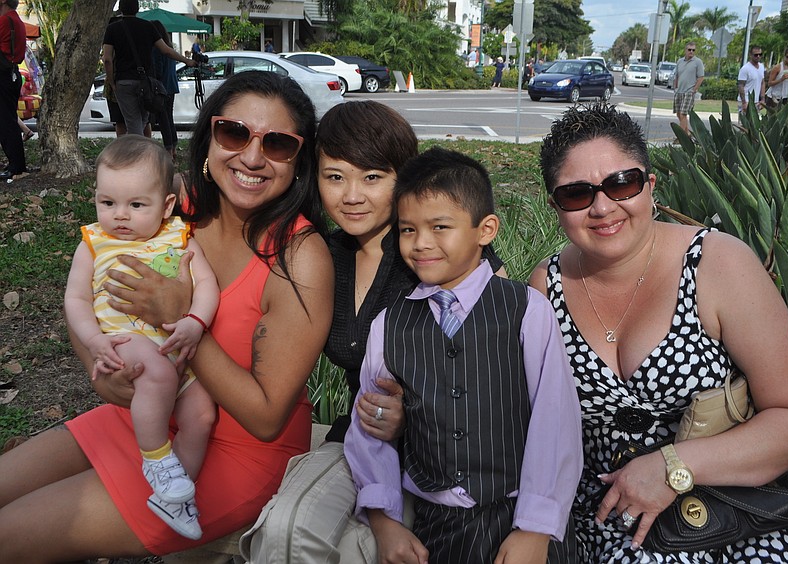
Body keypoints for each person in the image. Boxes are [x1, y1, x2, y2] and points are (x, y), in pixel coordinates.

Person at [0, 70, 333, 560]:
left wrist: (182, 319)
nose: (253, 157)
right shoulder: (173, 212)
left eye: (278, 143)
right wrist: (101, 367)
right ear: (208, 137)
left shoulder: (298, 256)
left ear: (298, 160)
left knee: (9, 535)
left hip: (237, 452)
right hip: (148, 416)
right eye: (234, 133)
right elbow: (95, 295)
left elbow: (265, 419)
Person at [529, 103, 788, 562]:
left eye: (621, 183)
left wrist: (675, 466)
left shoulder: (718, 264)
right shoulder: (546, 286)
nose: (602, 207)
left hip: (730, 521)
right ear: (555, 207)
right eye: (576, 194)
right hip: (607, 527)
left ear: (650, 185)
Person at [239, 101, 507, 564]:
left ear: (403, 178)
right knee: (284, 530)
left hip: (448, 460)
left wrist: (417, 415)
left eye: (372, 177)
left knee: (361, 550)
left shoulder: (439, 255)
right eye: (335, 176)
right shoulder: (324, 255)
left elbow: (497, 385)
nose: (351, 196)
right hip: (359, 443)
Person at [345, 146, 583, 564]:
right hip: (437, 527)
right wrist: (385, 521)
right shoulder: (390, 324)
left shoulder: (526, 309)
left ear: (485, 229)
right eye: (407, 229)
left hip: (521, 519)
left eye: (440, 227)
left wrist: (536, 527)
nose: (421, 244)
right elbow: (370, 431)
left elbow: (555, 420)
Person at [64, 135, 219, 540]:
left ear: (166, 205)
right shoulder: (94, 244)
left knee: (202, 415)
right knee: (158, 374)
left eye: (136, 205)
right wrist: (93, 341)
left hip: (175, 348)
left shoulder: (179, 238)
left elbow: (206, 286)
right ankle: (156, 458)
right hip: (123, 340)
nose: (119, 216)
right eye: (107, 202)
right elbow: (76, 298)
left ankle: (173, 496)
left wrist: (195, 322)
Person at [102, 0, 196, 137]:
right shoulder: (148, 27)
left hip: (124, 81)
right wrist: (187, 61)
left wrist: (111, 82)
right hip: (146, 82)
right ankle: (140, 152)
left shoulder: (112, 29)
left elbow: (107, 59)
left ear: (121, 9)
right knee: (143, 120)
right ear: (137, 9)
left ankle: (136, 155)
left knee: (133, 122)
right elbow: (166, 50)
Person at [0, 0, 27, 181]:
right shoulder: (17, 20)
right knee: (8, 119)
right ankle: (16, 164)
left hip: (2, 75)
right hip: (12, 73)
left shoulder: (4, 20)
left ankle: (15, 165)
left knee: (6, 123)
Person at [151, 19, 179, 160]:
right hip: (172, 86)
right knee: (169, 118)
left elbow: (158, 69)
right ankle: (173, 146)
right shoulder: (170, 48)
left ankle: (168, 149)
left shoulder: (156, 49)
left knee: (163, 120)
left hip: (162, 88)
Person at [672, 41, 704, 137]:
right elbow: (677, 75)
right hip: (679, 91)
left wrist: (694, 90)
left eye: (693, 50)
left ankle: (681, 137)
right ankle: (687, 134)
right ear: (685, 50)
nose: (691, 52)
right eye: (689, 50)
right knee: (678, 114)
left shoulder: (698, 62)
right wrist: (676, 87)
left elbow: (701, 77)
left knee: (683, 114)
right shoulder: (680, 61)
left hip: (689, 92)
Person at [737, 44, 766, 117]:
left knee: (755, 126)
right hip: (746, 101)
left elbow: (762, 83)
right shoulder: (745, 69)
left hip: (756, 102)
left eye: (760, 54)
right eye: (756, 55)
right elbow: (741, 85)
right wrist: (744, 102)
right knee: (744, 126)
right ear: (750, 55)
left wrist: (762, 99)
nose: (758, 56)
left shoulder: (761, 67)